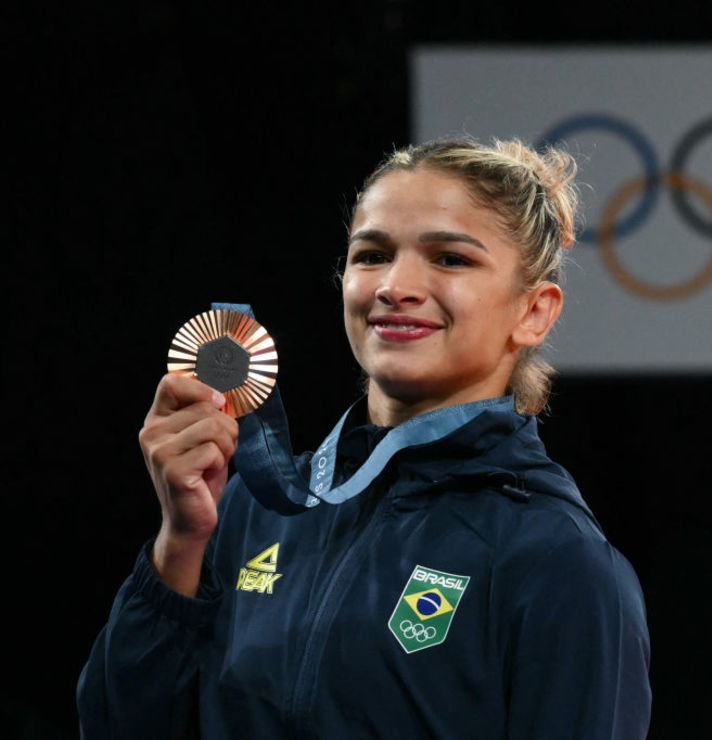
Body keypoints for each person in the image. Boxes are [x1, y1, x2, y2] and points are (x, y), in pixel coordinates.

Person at [76, 137, 652, 738]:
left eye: (451, 259)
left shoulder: (556, 560)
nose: (395, 285)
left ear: (533, 311)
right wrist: (181, 541)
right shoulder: (250, 509)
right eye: (372, 254)